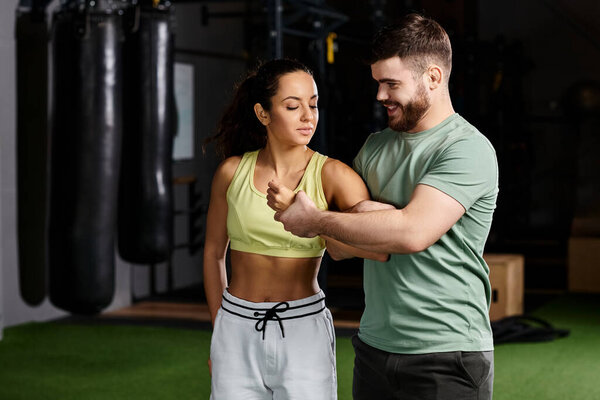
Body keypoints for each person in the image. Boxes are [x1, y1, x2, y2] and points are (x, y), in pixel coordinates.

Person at [268, 14, 498, 400]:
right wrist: (372, 222)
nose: (380, 96)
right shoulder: (375, 147)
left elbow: (411, 234)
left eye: (391, 84)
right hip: (374, 347)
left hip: (447, 352)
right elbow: (340, 247)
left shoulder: (465, 148)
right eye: (377, 83)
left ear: (434, 78)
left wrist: (320, 219)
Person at [203, 58, 387, 400]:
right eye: (293, 106)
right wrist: (220, 332)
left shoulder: (334, 175)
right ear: (263, 113)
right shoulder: (231, 173)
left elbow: (379, 247)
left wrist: (314, 219)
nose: (308, 116)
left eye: (314, 105)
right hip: (236, 324)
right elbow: (214, 254)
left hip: (303, 327)